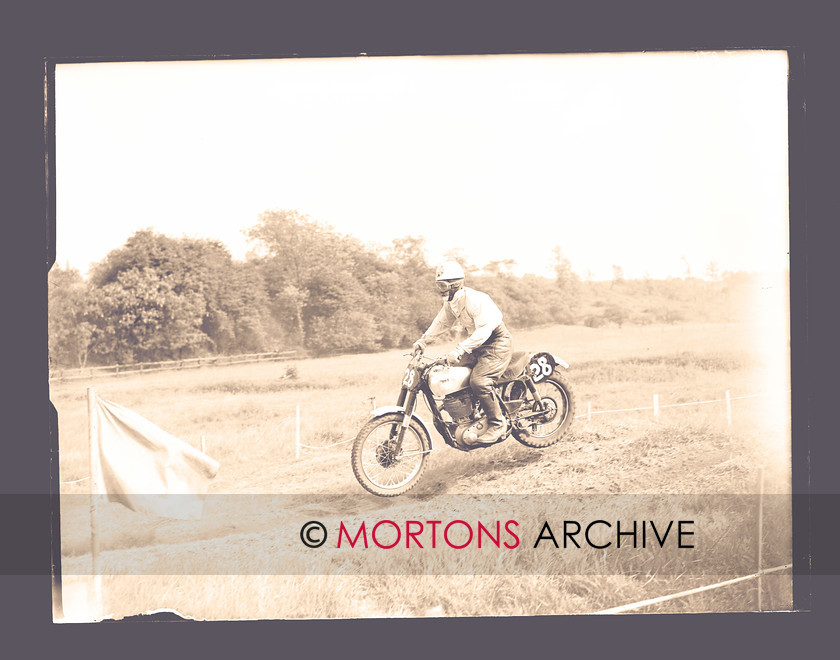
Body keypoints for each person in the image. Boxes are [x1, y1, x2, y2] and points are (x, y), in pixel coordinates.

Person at [412, 260, 513, 446]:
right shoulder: (452, 303)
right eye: (438, 285)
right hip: (476, 346)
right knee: (448, 375)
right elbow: (441, 322)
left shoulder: (475, 299)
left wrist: (460, 349)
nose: (440, 289)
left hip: (496, 344)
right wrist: (423, 341)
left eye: (443, 285)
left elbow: (484, 330)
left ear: (455, 284)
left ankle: (498, 425)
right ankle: (468, 417)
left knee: (479, 382)